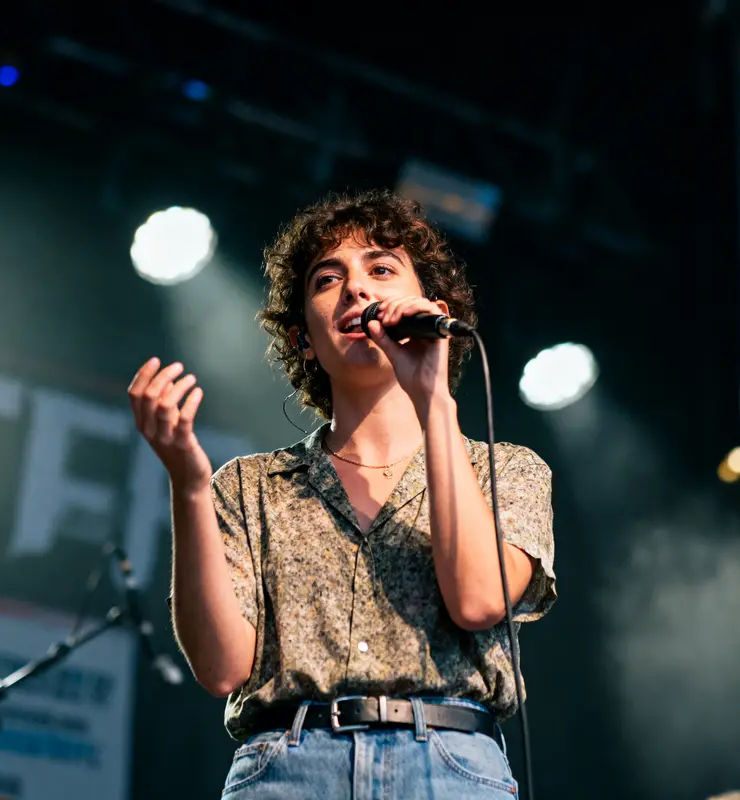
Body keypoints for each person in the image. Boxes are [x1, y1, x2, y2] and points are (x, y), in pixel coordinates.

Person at [127, 189, 557, 798]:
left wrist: (432, 397)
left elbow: (479, 601)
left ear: (431, 308)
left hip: (450, 767)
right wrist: (189, 486)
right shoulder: (250, 486)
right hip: (286, 767)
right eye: (328, 279)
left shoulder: (505, 470)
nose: (357, 288)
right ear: (304, 337)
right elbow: (223, 668)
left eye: (381, 269)